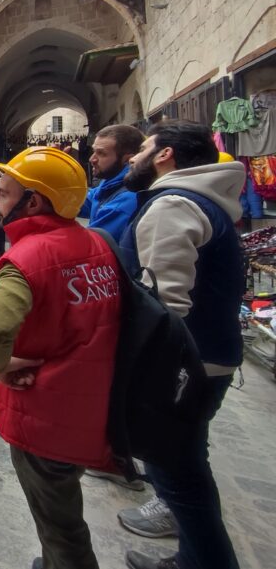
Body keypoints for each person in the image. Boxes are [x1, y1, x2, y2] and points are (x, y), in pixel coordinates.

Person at [0, 146, 121, 569]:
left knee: (59, 524)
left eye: (2, 193)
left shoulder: (27, 258)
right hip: (89, 404)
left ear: (34, 201)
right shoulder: (97, 244)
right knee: (63, 503)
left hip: (46, 409)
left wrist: (0, 366)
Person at [117, 120, 244, 569]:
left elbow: (162, 305)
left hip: (184, 365)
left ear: (165, 154)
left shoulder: (173, 204)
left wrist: (140, 377)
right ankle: (191, 557)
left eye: (144, 148)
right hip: (207, 358)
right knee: (187, 468)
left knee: (180, 480)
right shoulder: (200, 202)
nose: (134, 156)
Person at [78, 124, 144, 241]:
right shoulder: (110, 183)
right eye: (94, 151)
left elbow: (92, 245)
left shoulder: (126, 200)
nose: (92, 159)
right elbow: (81, 202)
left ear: (128, 159)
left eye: (101, 153)